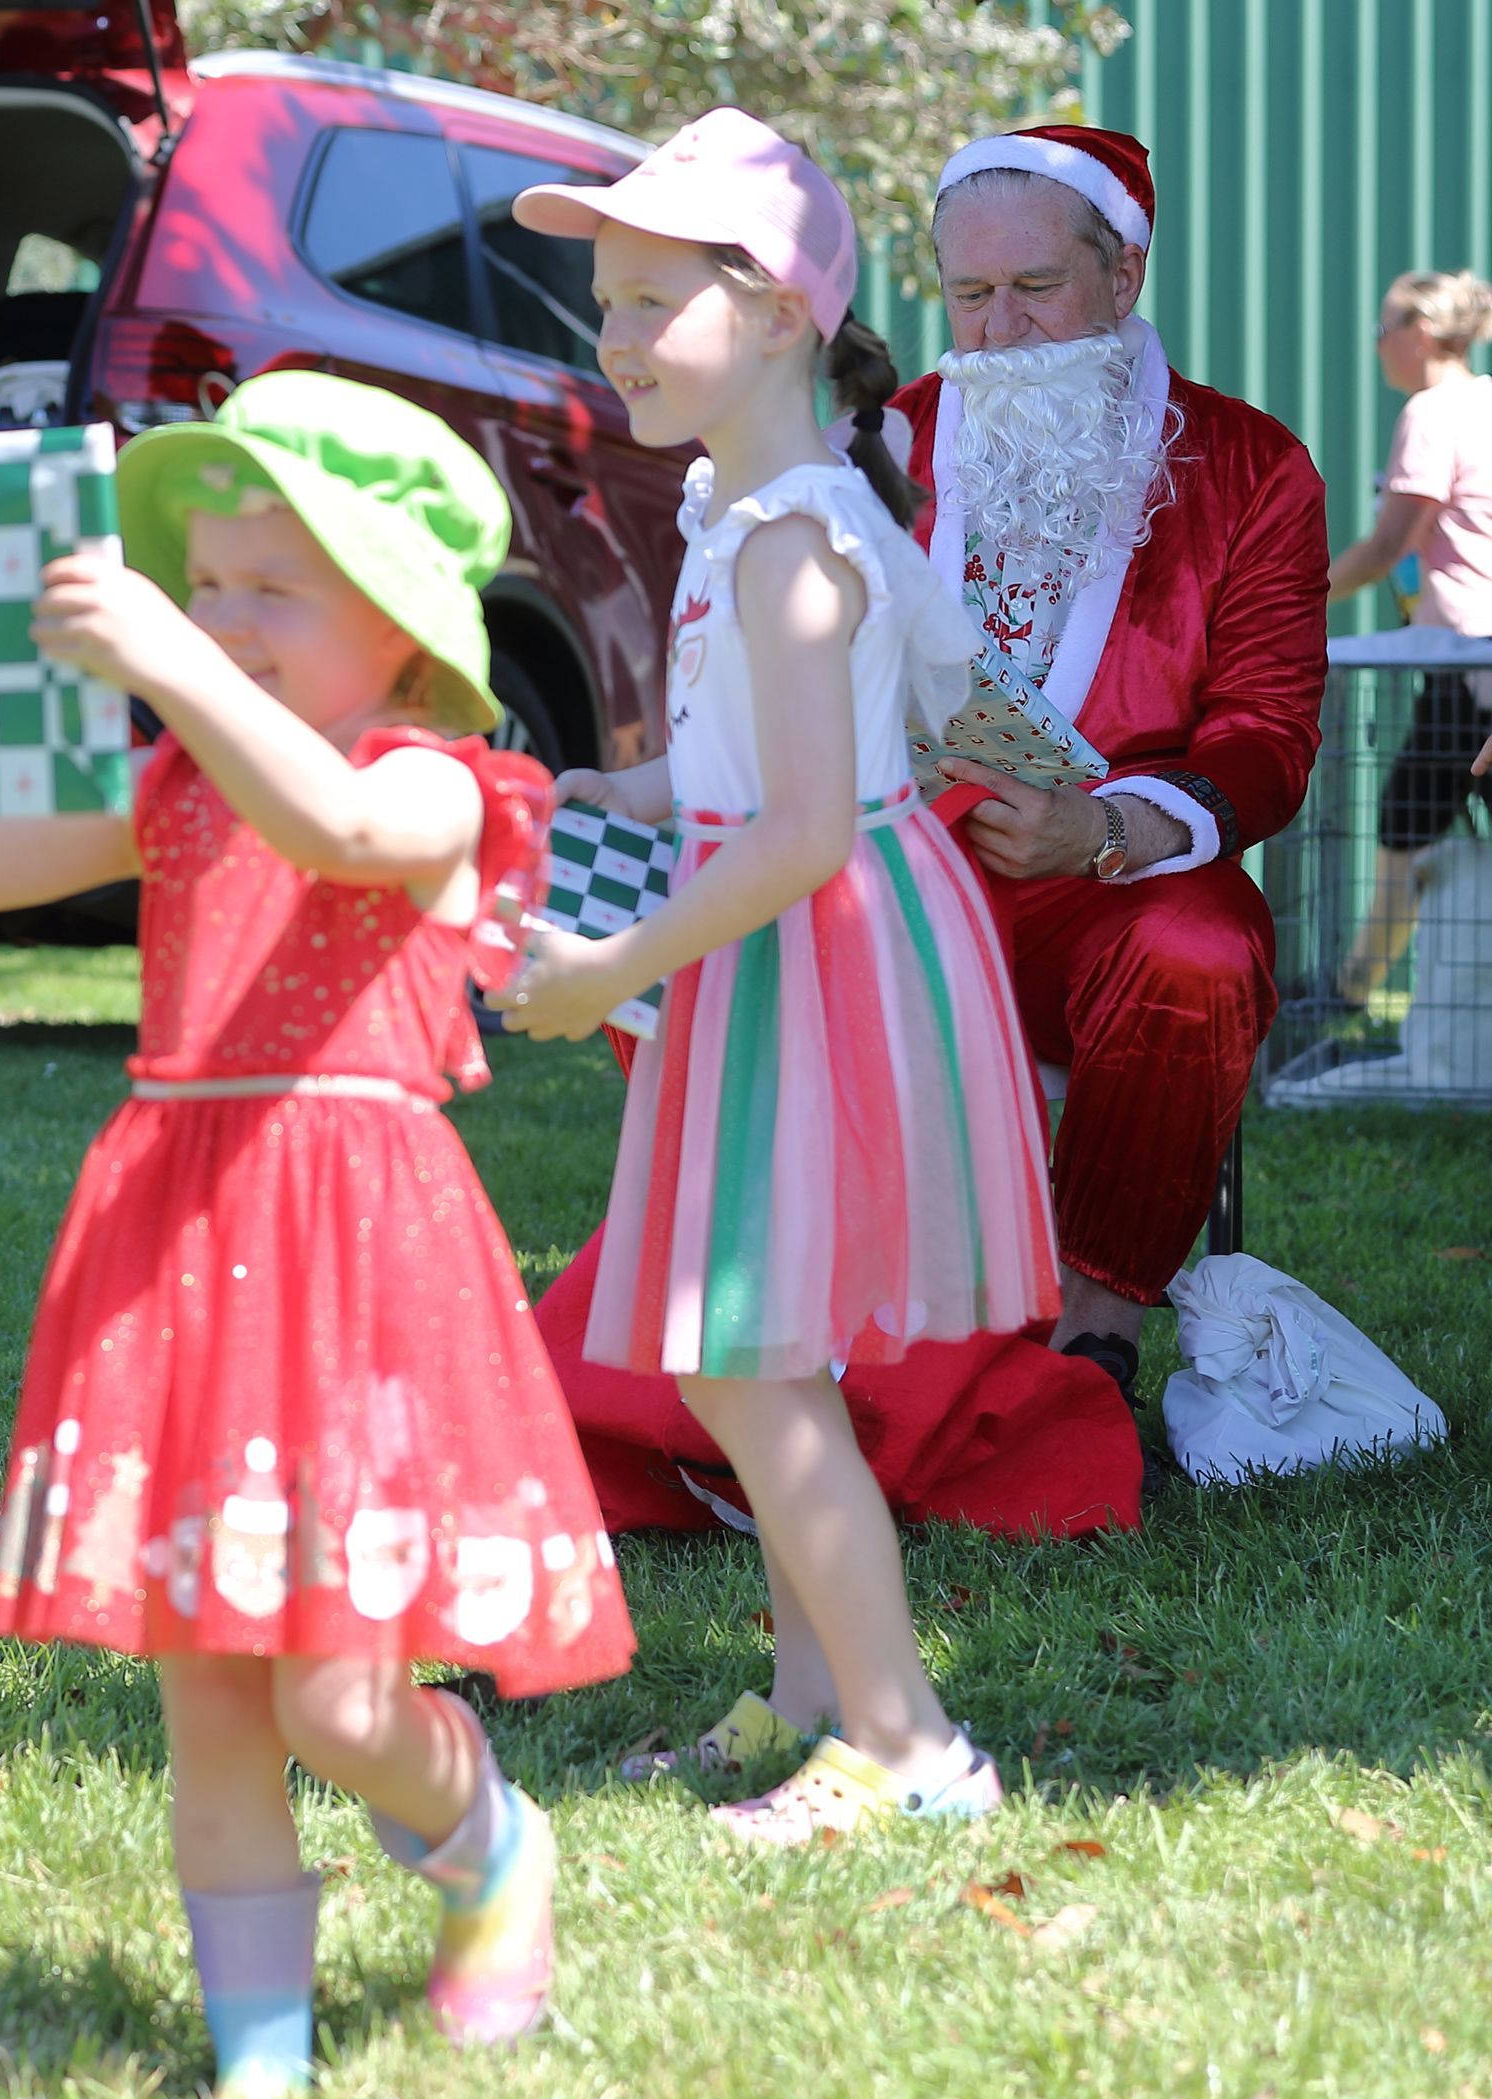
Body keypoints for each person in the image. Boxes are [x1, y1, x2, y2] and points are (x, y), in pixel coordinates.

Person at [0, 373, 634, 2099]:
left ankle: (489, 1841)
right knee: (210, 1698)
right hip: (187, 1241)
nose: (220, 618)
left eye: (274, 588)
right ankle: (257, 2072)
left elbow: (337, 830)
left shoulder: (441, 784)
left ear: (402, 625)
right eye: (205, 585)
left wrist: (171, 665)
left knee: (338, 1703)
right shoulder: (180, 780)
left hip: (349, 1257)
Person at [498, 110, 1058, 1844]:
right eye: (605, 301)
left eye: (649, 300)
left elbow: (808, 827)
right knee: (757, 1350)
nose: (612, 337)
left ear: (775, 315)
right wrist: (631, 792)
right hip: (781, 945)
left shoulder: (792, 538)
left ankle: (909, 1746)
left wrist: (608, 965)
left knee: (749, 1362)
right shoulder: (755, 511)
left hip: (805, 954)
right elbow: (762, 762)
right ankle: (812, 1702)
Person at [888, 125, 1329, 1409]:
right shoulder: (883, 442)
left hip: (1106, 888)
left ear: (1123, 274)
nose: (1001, 329)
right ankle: (791, 1310)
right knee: (708, 922)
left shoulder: (1250, 467)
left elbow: (1269, 731)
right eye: (971, 293)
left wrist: (1110, 830)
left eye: (1037, 286)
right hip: (895, 868)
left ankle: (1092, 1335)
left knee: (1201, 950)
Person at [1328, 269, 1492, 1005]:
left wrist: (1291, 599)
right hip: (1467, 663)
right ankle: (1351, 989)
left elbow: (1386, 547)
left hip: (1468, 662)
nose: (1376, 345)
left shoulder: (1432, 413)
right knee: (1408, 818)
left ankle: (1347, 993)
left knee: (1404, 823)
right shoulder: (1484, 404)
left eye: (1382, 329)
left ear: (1419, 334)